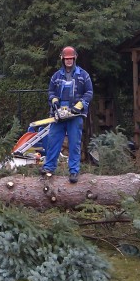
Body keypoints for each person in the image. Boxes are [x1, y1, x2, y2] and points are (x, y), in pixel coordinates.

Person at [40, 46, 93, 183]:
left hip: (75, 115)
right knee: (53, 141)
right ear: (62, 59)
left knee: (74, 143)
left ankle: (74, 171)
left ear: (75, 58)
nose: (68, 61)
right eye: (66, 59)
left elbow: (89, 93)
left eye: (71, 58)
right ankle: (49, 167)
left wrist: (79, 106)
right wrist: (55, 101)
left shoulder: (83, 75)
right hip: (59, 115)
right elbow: (51, 91)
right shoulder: (56, 76)